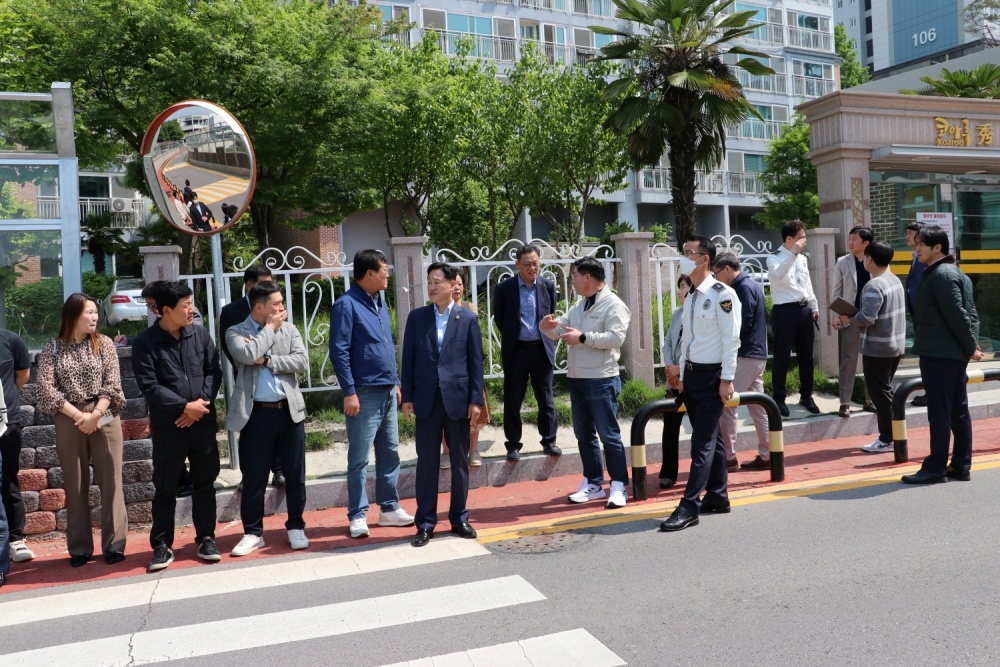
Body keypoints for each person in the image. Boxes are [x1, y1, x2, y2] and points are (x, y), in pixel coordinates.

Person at [132, 281, 223, 571]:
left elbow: (213, 371)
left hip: (203, 423)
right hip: (170, 427)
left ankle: (206, 538)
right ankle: (161, 545)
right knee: (166, 486)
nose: (191, 309)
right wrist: (184, 408)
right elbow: (150, 386)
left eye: (190, 303)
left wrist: (201, 405)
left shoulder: (199, 333)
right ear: (165, 311)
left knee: (205, 483)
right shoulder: (146, 343)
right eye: (185, 305)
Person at [36, 294, 128, 566]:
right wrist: (79, 416)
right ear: (73, 316)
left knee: (111, 481)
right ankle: (79, 548)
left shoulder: (106, 344)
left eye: (95, 312)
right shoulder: (53, 348)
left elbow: (113, 386)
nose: (94, 317)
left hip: (105, 414)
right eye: (88, 312)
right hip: (68, 416)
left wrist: (96, 415)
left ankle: (115, 545)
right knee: (75, 483)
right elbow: (45, 389)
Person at [330, 250, 414, 538]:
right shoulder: (346, 304)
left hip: (388, 388)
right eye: (383, 270)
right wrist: (349, 391)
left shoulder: (379, 300)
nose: (388, 274)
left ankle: (389, 508)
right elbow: (338, 351)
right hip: (363, 392)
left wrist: (396, 381)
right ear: (369, 274)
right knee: (360, 456)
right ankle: (357, 513)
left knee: (390, 451)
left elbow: (386, 345)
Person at [660, 236, 741, 532]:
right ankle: (718, 495)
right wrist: (680, 374)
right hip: (692, 376)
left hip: (712, 377)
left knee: (702, 443)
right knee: (713, 440)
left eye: (688, 252)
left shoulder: (722, 294)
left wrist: (726, 379)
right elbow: (690, 342)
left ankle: (689, 505)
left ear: (704, 258)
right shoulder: (692, 297)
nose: (682, 257)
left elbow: (732, 340)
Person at [402, 263, 485, 547]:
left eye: (437, 281)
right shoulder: (417, 318)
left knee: (460, 461)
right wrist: (408, 397)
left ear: (453, 285)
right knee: (427, 463)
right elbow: (408, 360)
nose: (432, 286)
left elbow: (476, 362)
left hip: (458, 399)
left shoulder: (467, 318)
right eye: (429, 282)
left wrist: (476, 399)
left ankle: (459, 518)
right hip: (426, 399)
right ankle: (425, 522)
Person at [226, 282, 310, 555]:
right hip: (255, 414)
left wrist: (269, 360)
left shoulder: (290, 329)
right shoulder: (236, 331)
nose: (282, 308)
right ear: (259, 307)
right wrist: (268, 331)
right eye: (277, 303)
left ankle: (296, 526)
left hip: (288, 411)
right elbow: (246, 354)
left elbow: (301, 361)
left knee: (295, 474)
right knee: (254, 477)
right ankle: (253, 532)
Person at [541, 257, 631, 509]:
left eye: (575, 276)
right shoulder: (580, 306)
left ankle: (618, 485)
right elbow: (559, 330)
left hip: (601, 378)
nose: (573, 280)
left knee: (608, 435)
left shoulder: (614, 305)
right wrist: (546, 326)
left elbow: (616, 338)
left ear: (587, 277)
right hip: (577, 377)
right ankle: (593, 483)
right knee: (584, 435)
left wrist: (583, 337)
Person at [902, 226, 982, 485]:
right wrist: (970, 345)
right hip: (949, 352)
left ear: (937, 247)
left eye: (922, 245)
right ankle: (960, 465)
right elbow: (969, 314)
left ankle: (936, 467)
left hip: (940, 353)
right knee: (957, 411)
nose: (917, 248)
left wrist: (970, 346)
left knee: (940, 412)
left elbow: (959, 314)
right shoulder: (953, 272)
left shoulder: (941, 274)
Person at [493, 244, 561, 461]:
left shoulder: (547, 286)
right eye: (527, 264)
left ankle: (549, 440)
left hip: (541, 350)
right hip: (517, 351)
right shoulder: (505, 288)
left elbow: (550, 314)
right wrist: (516, 336)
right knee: (513, 400)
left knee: (546, 398)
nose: (532, 268)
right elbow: (501, 319)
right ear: (517, 265)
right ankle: (513, 444)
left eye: (535, 264)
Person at [218, 265, 284, 488]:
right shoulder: (232, 312)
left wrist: (262, 355)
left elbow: (283, 343)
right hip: (246, 377)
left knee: (277, 428)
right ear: (249, 285)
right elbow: (233, 349)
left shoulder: (276, 308)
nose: (268, 288)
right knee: (250, 431)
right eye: (263, 283)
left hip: (275, 375)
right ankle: (250, 476)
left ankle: (279, 470)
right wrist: (245, 358)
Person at [840, 242, 906, 454]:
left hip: (878, 348)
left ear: (869, 259)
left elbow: (868, 317)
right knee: (886, 392)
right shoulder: (894, 280)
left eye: (864, 258)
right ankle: (895, 435)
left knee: (881, 395)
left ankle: (888, 438)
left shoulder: (873, 285)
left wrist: (849, 318)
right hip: (895, 345)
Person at [711, 252, 770, 472]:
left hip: (746, 354)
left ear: (727, 269)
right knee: (759, 408)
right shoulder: (751, 285)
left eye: (716, 273)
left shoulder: (742, 288)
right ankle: (769, 454)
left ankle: (728, 457)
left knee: (726, 404)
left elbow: (740, 324)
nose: (716, 279)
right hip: (756, 354)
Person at [767, 220, 819, 417]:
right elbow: (779, 274)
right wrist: (791, 253)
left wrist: (813, 306)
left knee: (807, 355)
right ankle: (778, 398)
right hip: (784, 310)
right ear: (789, 239)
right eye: (801, 237)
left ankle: (806, 395)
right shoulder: (774, 258)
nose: (804, 241)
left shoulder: (802, 258)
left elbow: (807, 284)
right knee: (782, 356)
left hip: (804, 309)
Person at [441, 272, 489, 469]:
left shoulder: (469, 309)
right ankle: (446, 451)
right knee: (445, 412)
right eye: (454, 284)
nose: (457, 288)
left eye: (460, 284)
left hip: (468, 369)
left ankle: (474, 449)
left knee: (474, 411)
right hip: (447, 372)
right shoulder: (438, 311)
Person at [831, 226, 875, 417]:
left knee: (872, 361)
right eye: (849, 238)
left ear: (866, 243)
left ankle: (870, 400)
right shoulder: (842, 262)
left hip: (872, 317)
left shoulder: (875, 260)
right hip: (849, 317)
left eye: (854, 239)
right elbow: (836, 290)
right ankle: (845, 402)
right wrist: (836, 314)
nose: (850, 242)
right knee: (848, 360)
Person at [0, 326, 33, 564]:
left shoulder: (11, 340)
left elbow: (23, 375)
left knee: (9, 479)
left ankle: (15, 538)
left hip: (7, 422)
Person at [659, 274, 692, 489]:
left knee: (701, 429)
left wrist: (681, 374)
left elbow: (697, 348)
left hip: (691, 379)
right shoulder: (677, 313)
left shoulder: (697, 315)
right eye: (679, 286)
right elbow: (668, 343)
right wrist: (671, 371)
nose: (680, 291)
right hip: (673, 380)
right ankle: (668, 473)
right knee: (670, 428)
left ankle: (705, 472)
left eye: (683, 286)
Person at [904, 221, 928, 407]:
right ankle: (929, 390)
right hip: (919, 317)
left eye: (910, 233)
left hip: (926, 317)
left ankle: (931, 393)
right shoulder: (915, 256)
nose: (907, 236)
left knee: (928, 357)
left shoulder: (924, 260)